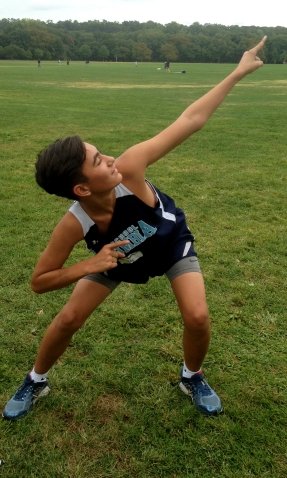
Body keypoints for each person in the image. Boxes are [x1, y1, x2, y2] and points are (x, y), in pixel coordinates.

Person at [3, 37, 267, 420]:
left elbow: (190, 120)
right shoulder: (76, 222)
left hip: (169, 244)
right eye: (98, 160)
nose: (110, 158)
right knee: (69, 318)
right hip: (118, 261)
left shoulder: (130, 169)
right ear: (81, 189)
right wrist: (89, 266)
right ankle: (36, 379)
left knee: (197, 316)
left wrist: (237, 72)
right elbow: (39, 281)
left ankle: (192, 375)